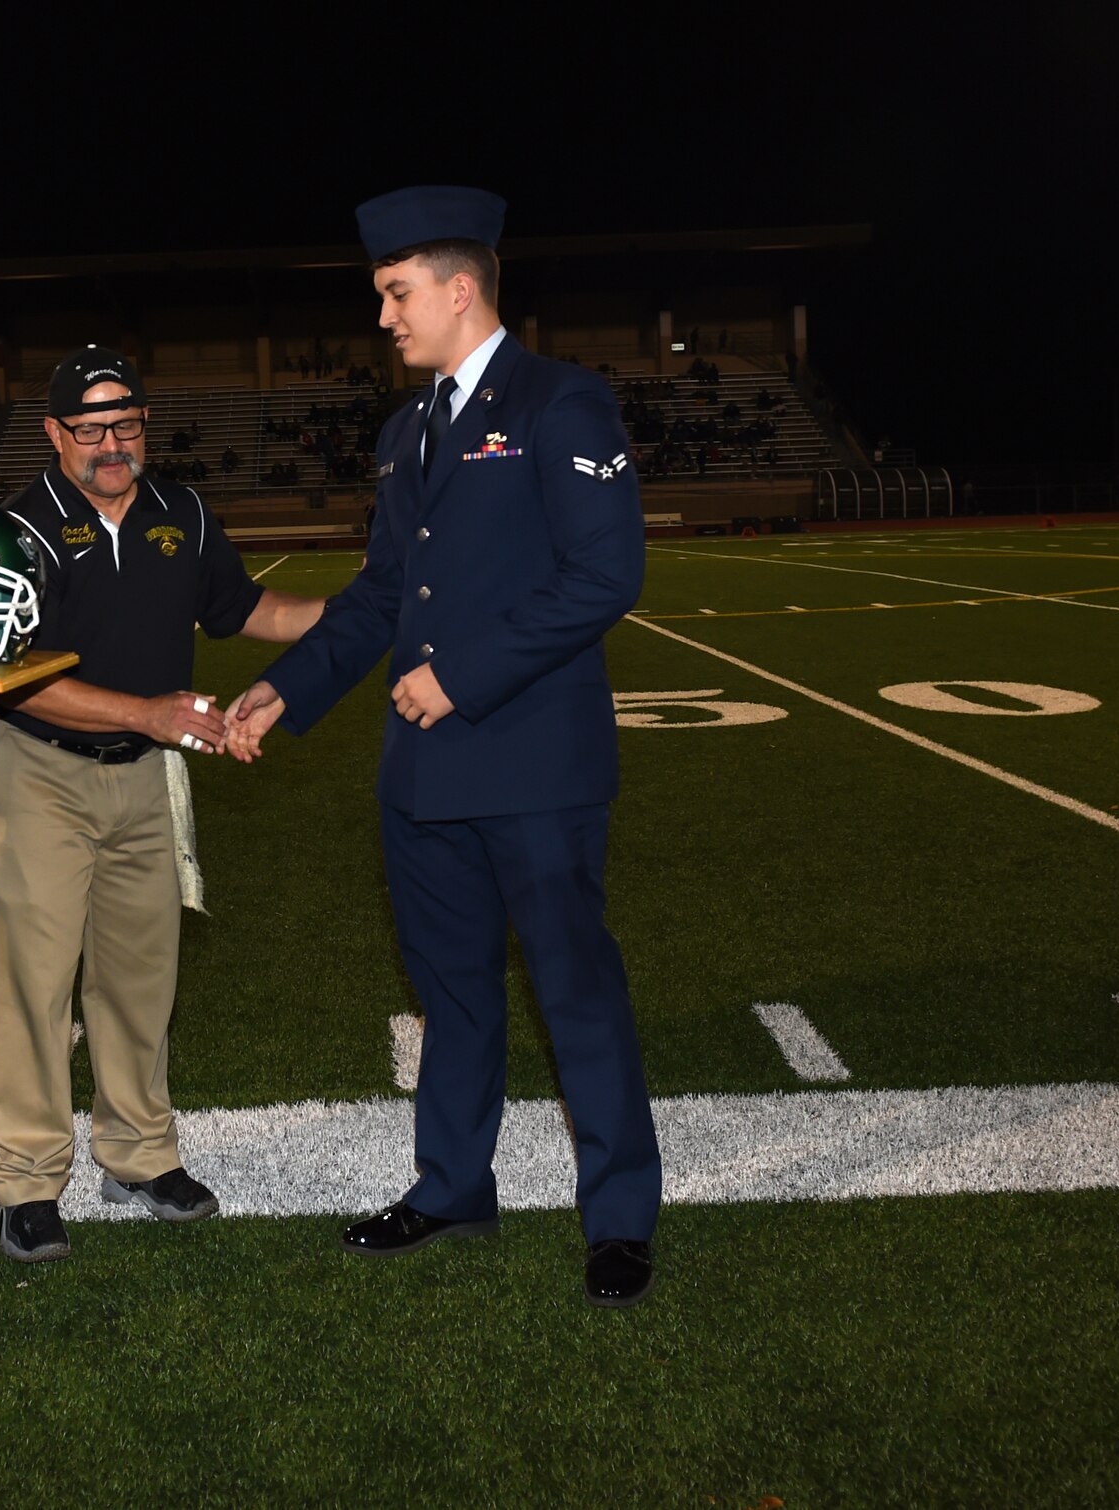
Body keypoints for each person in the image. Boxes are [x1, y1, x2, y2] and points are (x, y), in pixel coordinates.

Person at [226, 186, 662, 1308]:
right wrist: (287, 687)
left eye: (395, 292)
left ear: (458, 290)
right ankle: (452, 1184)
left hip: (533, 768)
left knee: (574, 991)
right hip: (420, 779)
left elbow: (604, 577)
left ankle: (617, 1217)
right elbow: (379, 597)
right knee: (451, 996)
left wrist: (462, 675)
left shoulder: (561, 403)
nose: (383, 316)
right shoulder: (402, 430)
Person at [0, 346, 324, 1263]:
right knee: (36, 980)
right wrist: (152, 712)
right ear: (53, 433)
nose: (110, 446)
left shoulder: (183, 511)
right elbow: (10, 683)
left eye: (125, 426)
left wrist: (362, 612)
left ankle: (136, 1153)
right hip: (40, 769)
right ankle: (26, 1176)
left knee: (140, 977)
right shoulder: (20, 526)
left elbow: (246, 608)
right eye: (88, 430)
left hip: (144, 773)